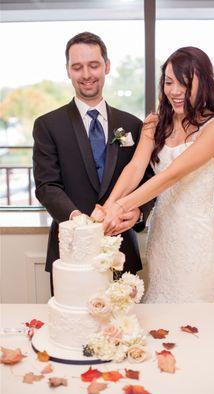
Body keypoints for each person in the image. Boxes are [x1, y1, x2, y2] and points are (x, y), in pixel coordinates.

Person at [92, 46, 214, 303]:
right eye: (168, 82)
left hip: (196, 239)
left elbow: (170, 176)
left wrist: (119, 207)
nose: (174, 91)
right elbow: (134, 169)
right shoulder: (156, 123)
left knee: (193, 315)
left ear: (205, 84)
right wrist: (104, 210)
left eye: (184, 84)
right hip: (163, 235)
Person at [33, 32, 154, 294]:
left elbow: (147, 181)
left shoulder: (132, 124)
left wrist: (138, 212)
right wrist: (80, 223)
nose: (86, 74)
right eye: (77, 67)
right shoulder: (47, 126)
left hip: (122, 251)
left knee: (122, 330)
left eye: (93, 65)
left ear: (106, 66)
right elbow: (46, 185)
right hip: (70, 251)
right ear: (68, 71)